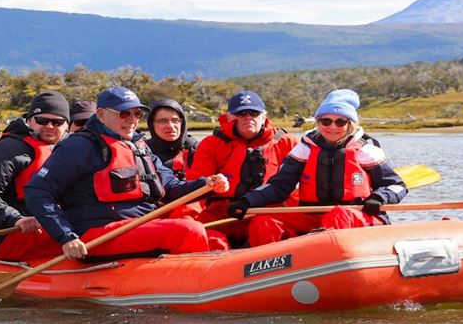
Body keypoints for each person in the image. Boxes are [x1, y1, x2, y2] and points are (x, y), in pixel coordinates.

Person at [24, 86, 230, 260]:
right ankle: (192, 286)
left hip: (140, 226)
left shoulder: (139, 146)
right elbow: (37, 191)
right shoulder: (78, 147)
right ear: (102, 114)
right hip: (98, 235)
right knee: (188, 231)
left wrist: (207, 185)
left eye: (137, 114)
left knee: (214, 237)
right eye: (124, 113)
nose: (132, 120)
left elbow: (171, 188)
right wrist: (66, 237)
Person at [226, 89, 408, 247]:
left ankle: (324, 257)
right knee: (263, 222)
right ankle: (266, 272)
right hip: (312, 215)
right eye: (326, 121)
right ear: (318, 122)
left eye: (340, 122)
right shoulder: (305, 149)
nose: (332, 127)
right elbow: (279, 186)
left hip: (358, 214)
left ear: (350, 124)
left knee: (339, 216)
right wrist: (248, 201)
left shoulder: (366, 150)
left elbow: (397, 185)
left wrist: (379, 197)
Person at [185, 90, 299, 242]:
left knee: (265, 226)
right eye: (242, 114)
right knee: (201, 235)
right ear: (230, 117)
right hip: (224, 213)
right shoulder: (211, 144)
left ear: (264, 117)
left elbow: (302, 186)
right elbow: (196, 186)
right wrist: (188, 219)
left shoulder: (286, 143)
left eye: (254, 113)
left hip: (269, 211)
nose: (248, 118)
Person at [0, 91, 70, 261]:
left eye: (57, 122)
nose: (50, 126)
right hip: (11, 235)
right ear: (30, 120)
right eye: (42, 120)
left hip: (54, 226)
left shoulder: (71, 150)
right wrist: (15, 218)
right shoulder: (9, 149)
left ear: (67, 125)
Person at [145, 98, 198, 178]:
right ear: (152, 124)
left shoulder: (196, 149)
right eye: (163, 121)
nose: (170, 126)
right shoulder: (142, 151)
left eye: (175, 120)